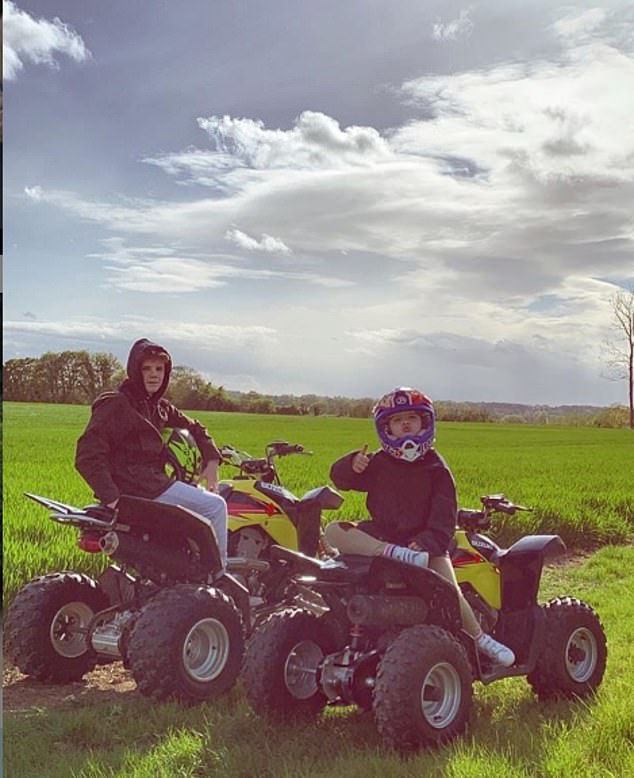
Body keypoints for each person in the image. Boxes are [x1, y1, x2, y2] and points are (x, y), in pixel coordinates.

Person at [324, 387, 515, 667]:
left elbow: (444, 516)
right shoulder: (378, 462)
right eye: (397, 420)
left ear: (424, 423)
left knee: (450, 590)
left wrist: (427, 542)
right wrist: (352, 465)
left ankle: (480, 638)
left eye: (411, 418)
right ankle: (390, 552)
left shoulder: (436, 468)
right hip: (384, 538)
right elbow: (342, 480)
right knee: (333, 530)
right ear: (386, 428)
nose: (405, 425)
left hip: (425, 546)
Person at [75, 338, 228, 566]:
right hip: (141, 488)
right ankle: (219, 575)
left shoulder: (159, 407)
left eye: (159, 369)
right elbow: (87, 454)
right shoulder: (118, 404)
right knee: (215, 506)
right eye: (146, 368)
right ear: (134, 371)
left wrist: (212, 459)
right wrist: (111, 498)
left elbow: (194, 427)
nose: (154, 374)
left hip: (146, 486)